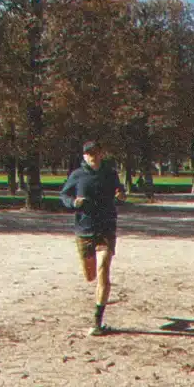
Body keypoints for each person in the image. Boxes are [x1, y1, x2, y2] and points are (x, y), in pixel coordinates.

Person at [60, 140, 127, 336]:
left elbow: (120, 191)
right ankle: (99, 292)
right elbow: (63, 195)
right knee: (91, 275)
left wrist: (121, 195)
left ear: (101, 154)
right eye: (89, 154)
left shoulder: (110, 174)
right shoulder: (77, 175)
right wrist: (74, 202)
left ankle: (98, 321)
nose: (93, 156)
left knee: (103, 270)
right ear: (84, 156)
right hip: (84, 230)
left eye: (96, 153)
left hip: (106, 228)